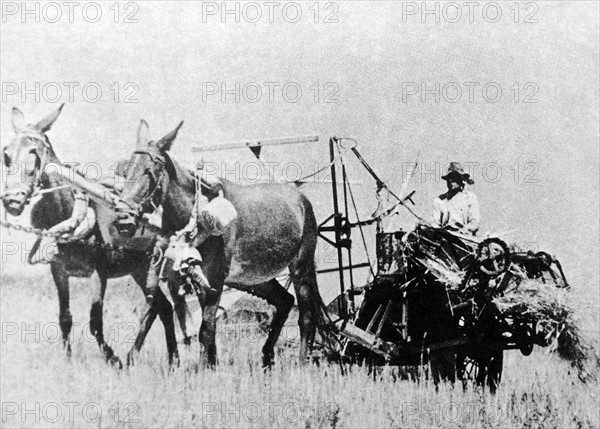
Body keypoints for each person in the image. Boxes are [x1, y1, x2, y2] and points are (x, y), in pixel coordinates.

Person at [432, 162, 481, 236]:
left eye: (454, 177)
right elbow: (434, 223)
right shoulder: (439, 200)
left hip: (464, 239)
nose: (451, 180)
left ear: (461, 179)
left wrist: (465, 229)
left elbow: (475, 222)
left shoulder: (470, 198)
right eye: (449, 178)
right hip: (444, 238)